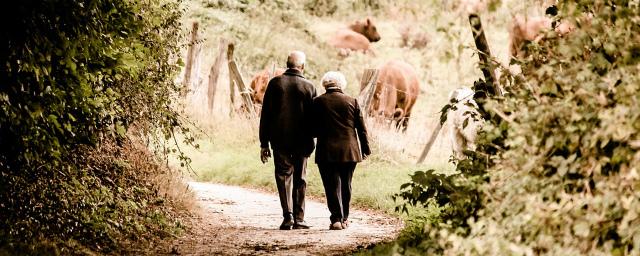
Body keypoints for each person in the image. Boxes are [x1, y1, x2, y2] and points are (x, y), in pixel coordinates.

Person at [259, 51, 317, 230]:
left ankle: (288, 217)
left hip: (279, 139)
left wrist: (264, 143)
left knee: (283, 176)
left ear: (286, 64)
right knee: (300, 178)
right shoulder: (309, 86)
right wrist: (314, 138)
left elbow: (266, 115)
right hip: (303, 140)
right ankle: (300, 219)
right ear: (303, 67)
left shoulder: (275, 83)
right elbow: (314, 117)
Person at [312, 71, 371, 230]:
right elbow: (362, 129)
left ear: (325, 84)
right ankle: (345, 218)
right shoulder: (352, 101)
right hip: (350, 150)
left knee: (331, 185)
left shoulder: (317, 102)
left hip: (326, 151)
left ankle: (336, 219)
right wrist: (365, 149)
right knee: (346, 184)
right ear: (341, 84)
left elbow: (312, 129)